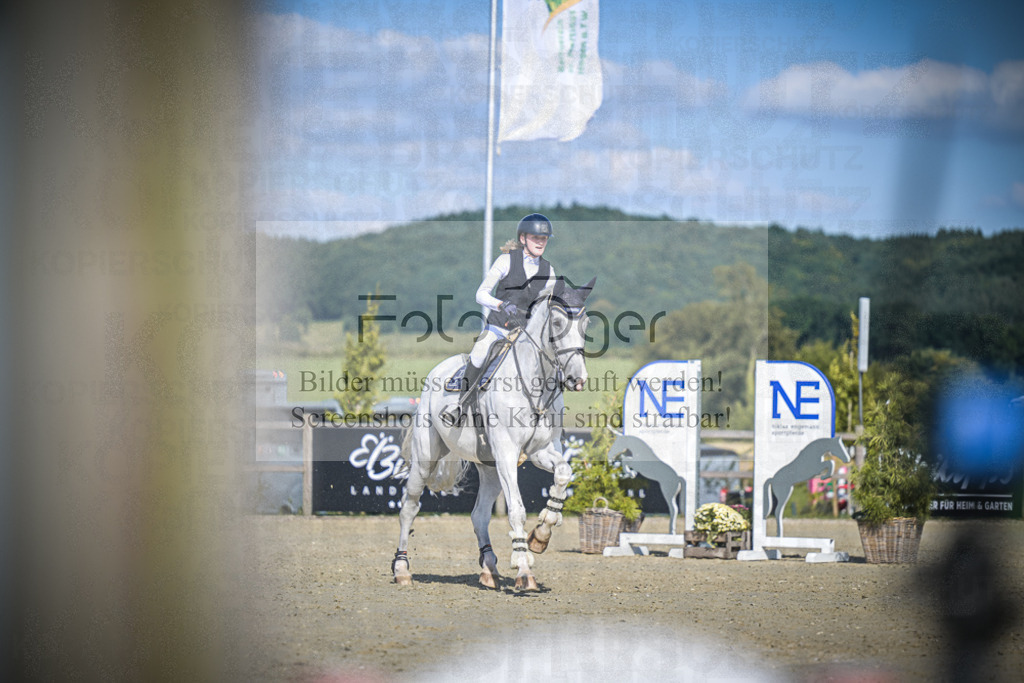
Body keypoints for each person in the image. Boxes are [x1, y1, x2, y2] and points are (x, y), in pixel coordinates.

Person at [441, 213, 558, 424]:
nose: (541, 242)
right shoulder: (506, 260)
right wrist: (501, 304)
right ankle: (460, 406)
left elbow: (549, 305)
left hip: (526, 335)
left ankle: (554, 418)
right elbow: (480, 294)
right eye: (536, 237)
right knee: (479, 353)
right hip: (498, 328)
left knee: (553, 361)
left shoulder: (548, 271)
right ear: (523, 238)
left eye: (544, 238)